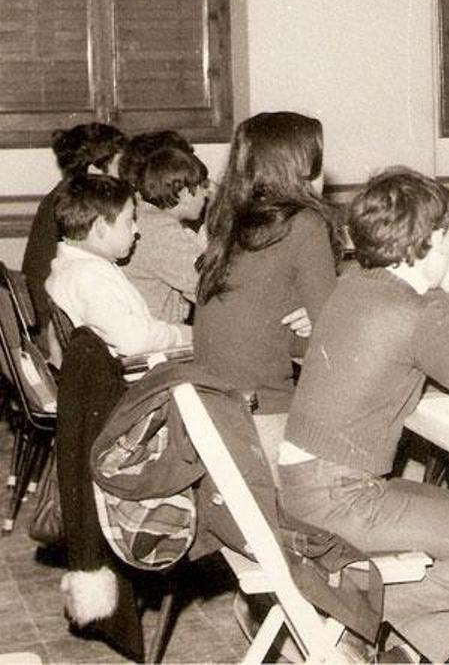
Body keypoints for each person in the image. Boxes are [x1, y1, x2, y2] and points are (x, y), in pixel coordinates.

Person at [277, 167, 449, 664]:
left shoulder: (355, 282)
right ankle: (333, 612)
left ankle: (402, 652)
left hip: (303, 484)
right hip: (340, 497)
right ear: (422, 244)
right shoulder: (416, 311)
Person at [193, 111, 339, 462]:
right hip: (264, 421)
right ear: (301, 168)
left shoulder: (227, 221)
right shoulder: (304, 224)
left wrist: (310, 320)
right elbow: (336, 341)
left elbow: (255, 323)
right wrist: (323, 318)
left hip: (215, 411)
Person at [45, 173, 191, 356]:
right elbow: (134, 341)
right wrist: (178, 335)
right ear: (100, 227)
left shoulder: (78, 266)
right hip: (132, 375)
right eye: (129, 221)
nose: (136, 230)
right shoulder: (87, 277)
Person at [23, 123, 128, 353]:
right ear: (94, 170)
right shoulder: (79, 207)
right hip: (57, 331)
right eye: (121, 165)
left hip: (49, 317)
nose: (127, 174)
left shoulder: (64, 196)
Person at [122, 146, 210, 324]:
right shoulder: (161, 229)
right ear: (185, 193)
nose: (206, 194)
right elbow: (207, 287)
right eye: (203, 187)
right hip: (160, 336)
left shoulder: (143, 214)